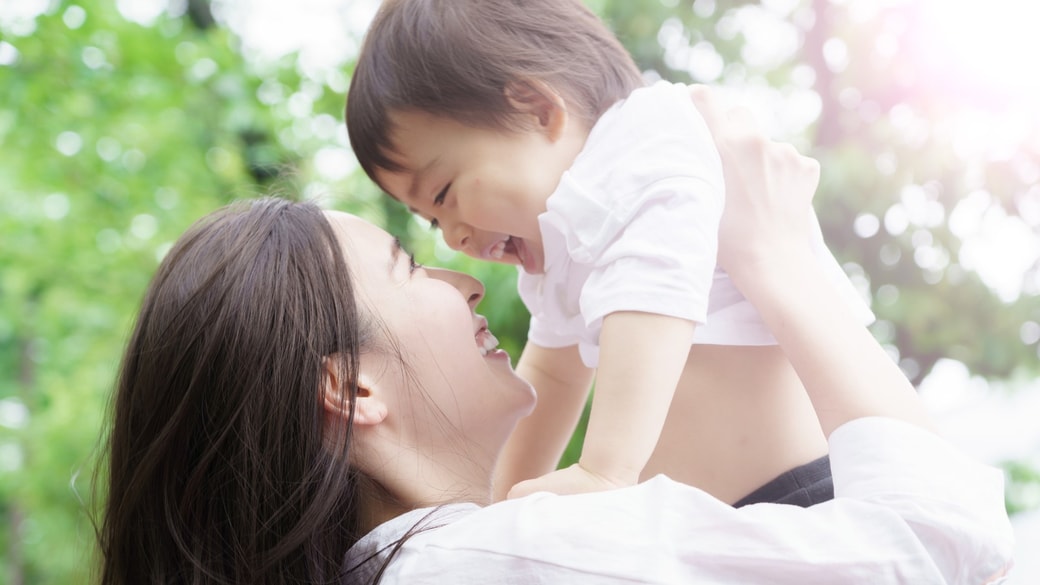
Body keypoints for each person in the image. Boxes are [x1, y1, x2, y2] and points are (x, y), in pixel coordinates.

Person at [96, 87, 1014, 584]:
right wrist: (782, 263)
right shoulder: (496, 562)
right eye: (411, 267)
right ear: (352, 388)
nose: (462, 271)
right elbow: (938, 546)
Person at [345, 0, 874, 503]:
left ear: (536, 110)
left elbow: (655, 285)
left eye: (443, 195)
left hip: (808, 491)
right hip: (724, 523)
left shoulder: (645, 142)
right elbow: (552, 376)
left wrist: (606, 470)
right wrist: (494, 502)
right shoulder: (561, 237)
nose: (451, 237)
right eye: (432, 221)